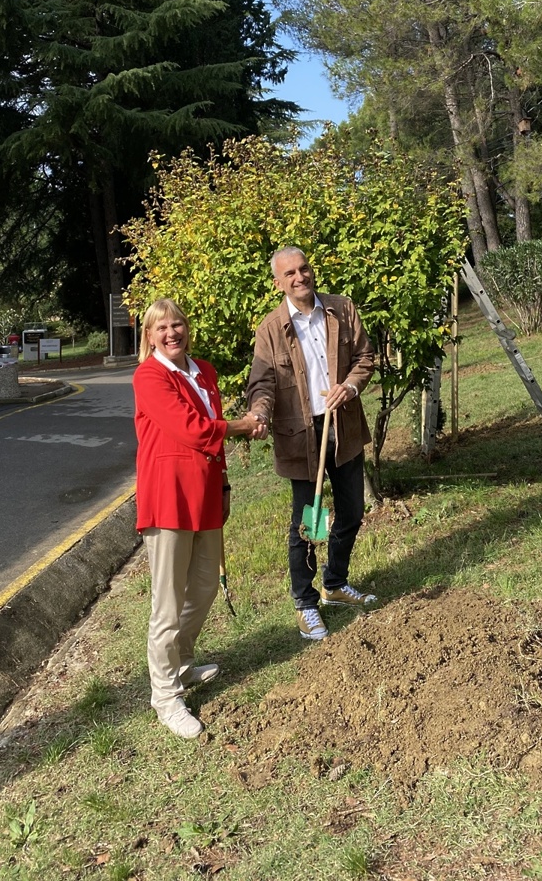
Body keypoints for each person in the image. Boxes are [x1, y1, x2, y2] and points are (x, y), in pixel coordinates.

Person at [133, 298, 263, 738]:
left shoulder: (204, 370)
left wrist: (224, 484)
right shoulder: (149, 376)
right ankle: (165, 696)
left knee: (205, 586)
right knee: (167, 603)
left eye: (178, 325)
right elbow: (192, 429)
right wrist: (243, 426)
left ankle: (182, 662)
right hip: (168, 497)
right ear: (149, 335)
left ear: (188, 329)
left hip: (205, 494)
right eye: (161, 328)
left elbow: (211, 438)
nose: (172, 333)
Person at [246, 247, 377, 641]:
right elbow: (262, 382)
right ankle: (306, 604)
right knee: (310, 523)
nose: (299, 277)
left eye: (304, 269)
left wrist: (351, 387)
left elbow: (365, 357)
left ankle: (334, 584)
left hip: (344, 425)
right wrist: (260, 413)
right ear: (278, 283)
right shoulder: (270, 329)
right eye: (290, 274)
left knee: (352, 510)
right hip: (302, 436)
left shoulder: (342, 309)